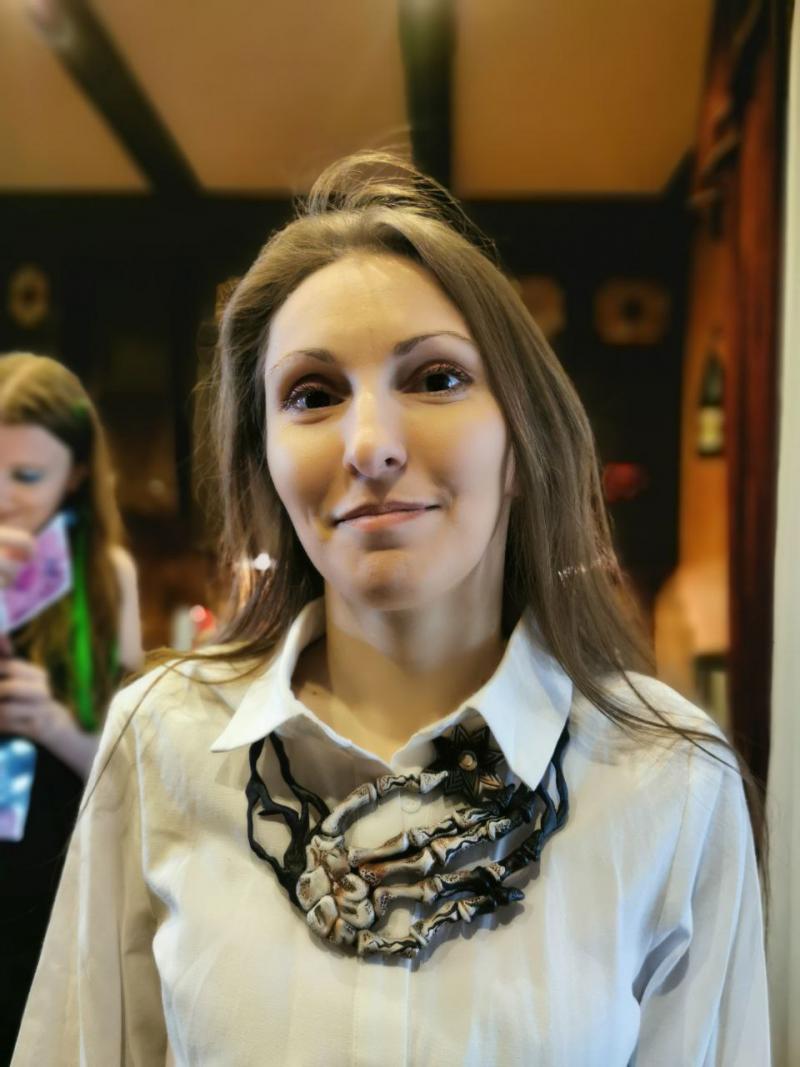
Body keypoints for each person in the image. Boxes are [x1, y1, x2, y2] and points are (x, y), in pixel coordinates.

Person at [12, 155, 770, 1065]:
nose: (370, 444)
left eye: (437, 379)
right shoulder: (160, 740)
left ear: (522, 441)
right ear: (265, 462)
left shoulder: (669, 780)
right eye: (313, 395)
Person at [0, 352, 141, 1064]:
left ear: (77, 473)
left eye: (26, 476)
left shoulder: (105, 577)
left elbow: (134, 772)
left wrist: (52, 724)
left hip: (59, 866)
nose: (2, 496)